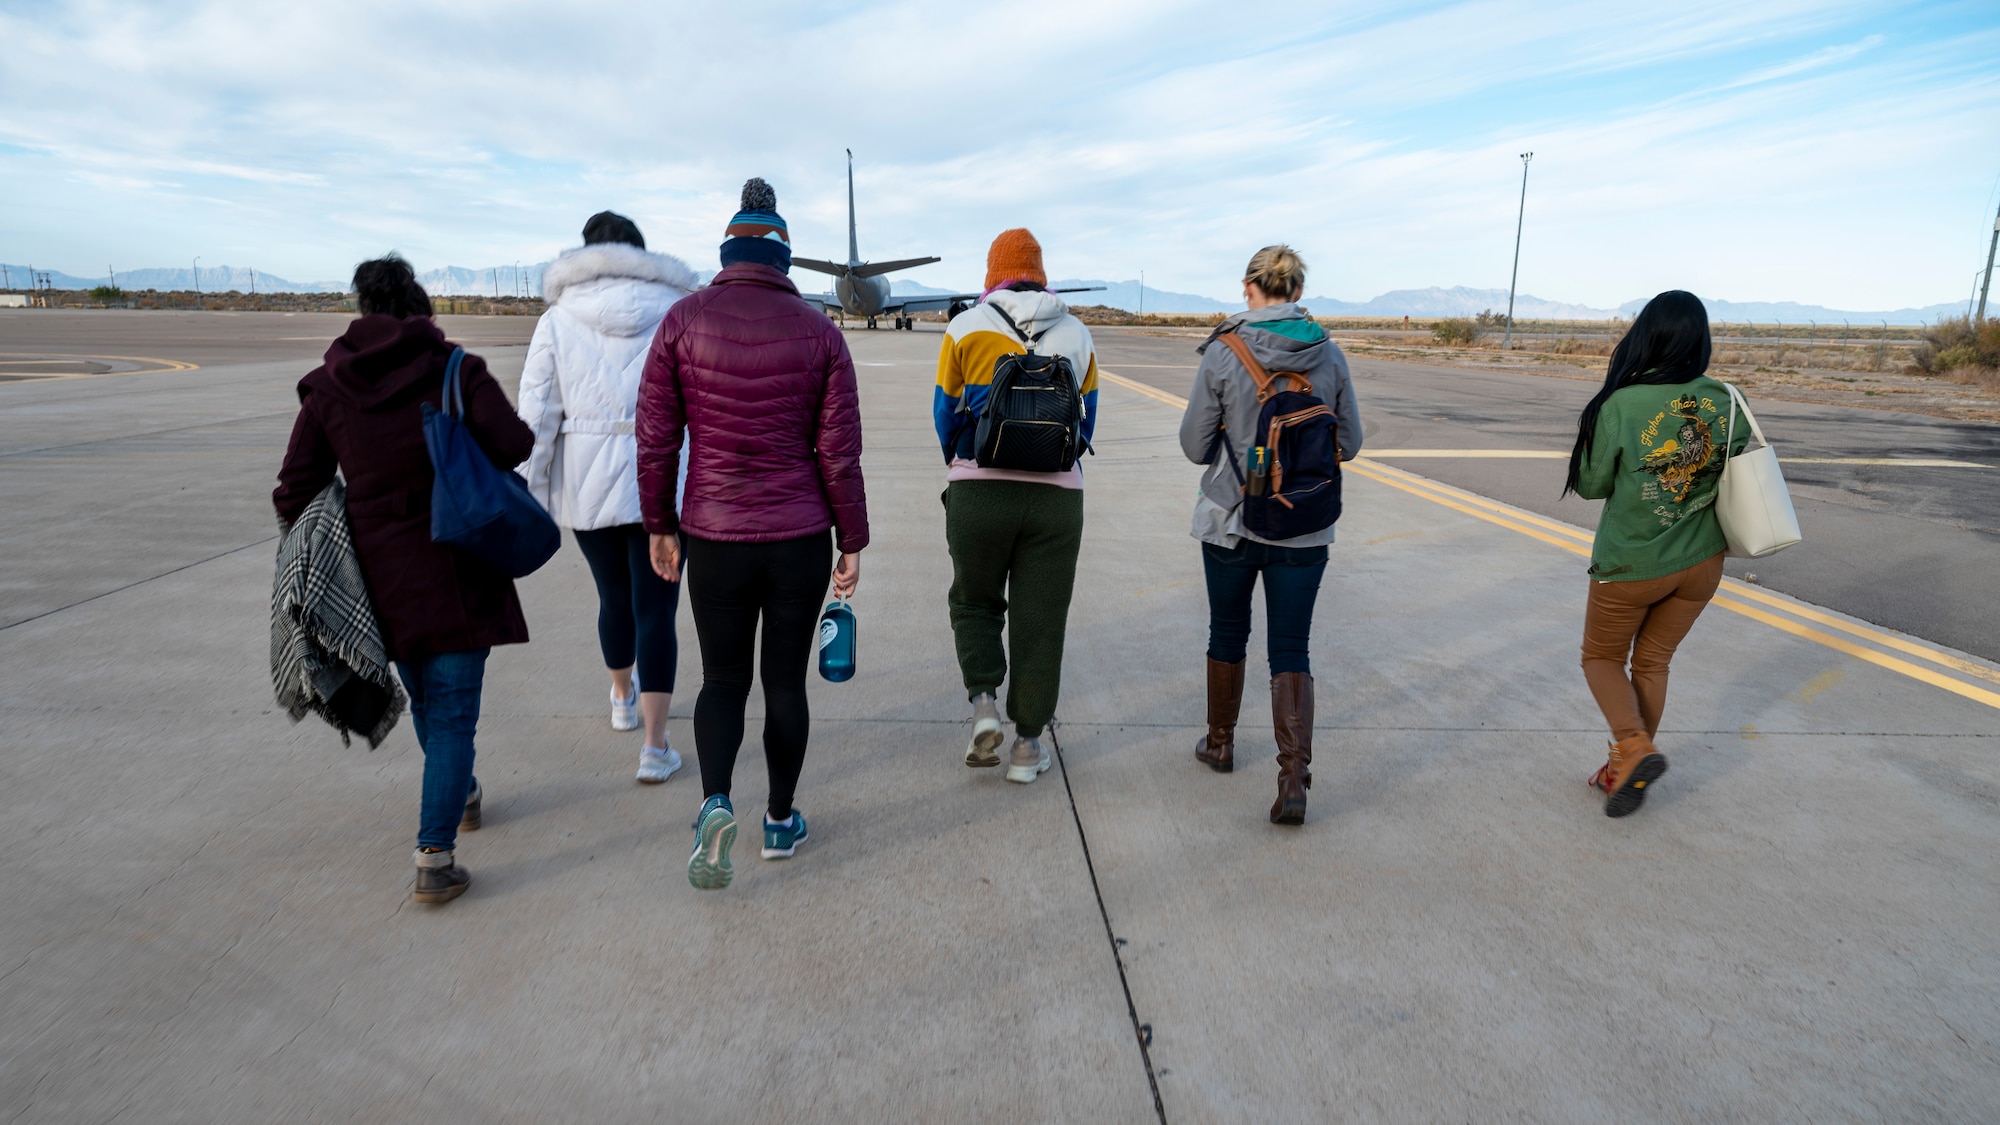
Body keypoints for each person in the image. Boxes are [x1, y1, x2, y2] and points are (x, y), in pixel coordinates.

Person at [273, 255, 535, 904]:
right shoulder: (455, 369)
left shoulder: (329, 388)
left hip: (375, 581)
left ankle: (461, 789)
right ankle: (434, 856)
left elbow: (293, 492)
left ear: (361, 310)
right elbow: (513, 442)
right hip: (459, 566)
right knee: (451, 715)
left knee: (427, 702)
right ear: (421, 307)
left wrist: (351, 518)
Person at [636, 178, 868, 891]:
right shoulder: (822, 333)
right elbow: (839, 450)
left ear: (727, 250)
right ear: (786, 259)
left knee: (722, 680)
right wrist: (851, 538)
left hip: (715, 533)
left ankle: (714, 803)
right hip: (798, 536)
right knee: (783, 683)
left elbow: (654, 438)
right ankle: (778, 819)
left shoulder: (683, 321)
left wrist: (660, 523)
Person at [1178, 245, 1362, 825]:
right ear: (1299, 292)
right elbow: (1350, 443)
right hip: (1304, 526)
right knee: (1291, 647)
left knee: (1227, 632)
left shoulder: (1224, 351)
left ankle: (1221, 743)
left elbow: (1192, 447)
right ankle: (1293, 780)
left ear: (1248, 286)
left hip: (1231, 519)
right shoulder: (1329, 355)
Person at [518, 211, 700, 784]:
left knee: (612, 600)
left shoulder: (556, 319)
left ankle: (622, 697)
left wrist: (529, 487)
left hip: (589, 482)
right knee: (657, 610)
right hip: (663, 481)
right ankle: (655, 746)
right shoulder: (676, 313)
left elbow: (537, 413)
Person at [1566, 290, 1747, 818]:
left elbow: (1594, 484)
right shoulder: (1725, 398)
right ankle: (1622, 768)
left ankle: (1635, 746)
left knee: (1600, 659)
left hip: (1631, 563)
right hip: (1702, 563)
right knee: (1652, 664)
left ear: (1645, 337)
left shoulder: (1623, 403)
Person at [933, 229, 1100, 784]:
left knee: (975, 602)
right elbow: (1088, 423)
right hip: (1056, 500)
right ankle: (1028, 748)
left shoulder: (963, 328)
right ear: (1041, 273)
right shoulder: (1078, 333)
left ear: (992, 275)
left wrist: (964, 464)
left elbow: (945, 414)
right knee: (1041, 621)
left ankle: (984, 705)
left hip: (979, 492)